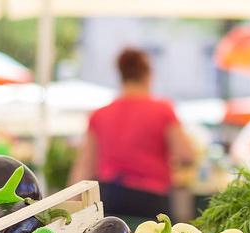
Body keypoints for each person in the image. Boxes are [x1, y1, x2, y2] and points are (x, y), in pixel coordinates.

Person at [71, 48, 194, 219]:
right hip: (151, 198)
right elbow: (186, 155)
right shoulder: (163, 110)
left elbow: (85, 166)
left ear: (121, 75)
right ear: (148, 75)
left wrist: (72, 208)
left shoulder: (100, 114)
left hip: (110, 197)